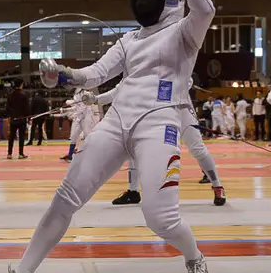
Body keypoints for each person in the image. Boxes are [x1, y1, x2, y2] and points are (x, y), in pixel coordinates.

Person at [0, 0, 215, 273]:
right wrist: (63, 75)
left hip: (159, 125)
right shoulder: (130, 40)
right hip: (116, 121)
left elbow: (206, 6)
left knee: (160, 218)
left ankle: (195, 258)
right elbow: (94, 74)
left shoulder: (185, 31)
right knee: (65, 198)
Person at [93, 80, 226, 206]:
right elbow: (119, 90)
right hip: (156, 115)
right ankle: (133, 191)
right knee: (133, 147)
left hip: (181, 110)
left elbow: (187, 80)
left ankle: (217, 185)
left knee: (197, 148)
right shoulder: (139, 66)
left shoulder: (174, 62)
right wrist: (95, 99)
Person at [55, 89, 96, 162]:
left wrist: (74, 115)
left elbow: (83, 107)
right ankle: (70, 155)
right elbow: (76, 107)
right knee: (73, 136)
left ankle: (91, 155)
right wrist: (65, 110)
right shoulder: (76, 94)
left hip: (86, 118)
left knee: (87, 136)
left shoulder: (86, 94)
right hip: (78, 118)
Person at [6, 78, 30, 159]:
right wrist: (28, 117)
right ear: (21, 85)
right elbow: (27, 108)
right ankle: (20, 153)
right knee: (21, 137)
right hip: (22, 119)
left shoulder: (10, 94)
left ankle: (9, 154)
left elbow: (7, 108)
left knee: (11, 137)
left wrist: (11, 115)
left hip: (13, 119)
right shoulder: (24, 95)